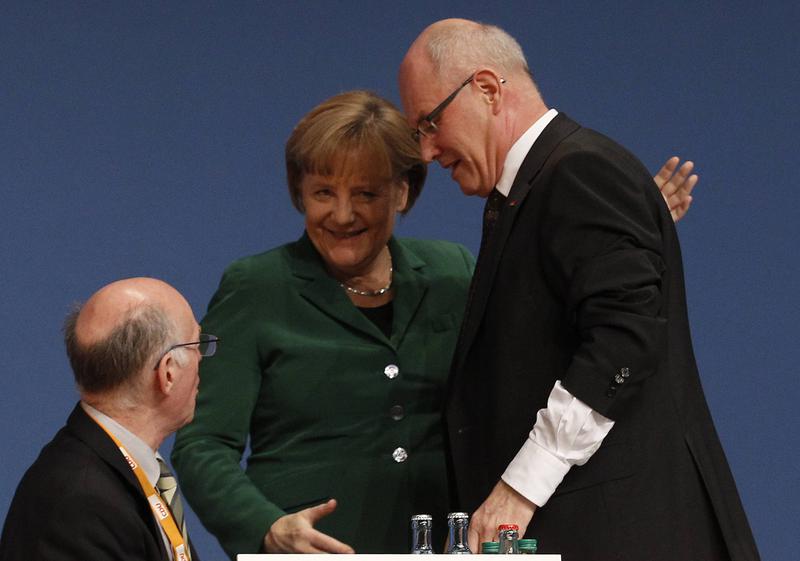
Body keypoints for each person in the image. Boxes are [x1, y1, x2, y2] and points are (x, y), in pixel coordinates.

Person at [171, 91, 696, 557]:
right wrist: (266, 527)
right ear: (298, 193)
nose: (343, 214)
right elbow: (203, 445)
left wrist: (619, 234)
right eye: (323, 192)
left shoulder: (451, 271)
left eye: (367, 194)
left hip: (444, 547)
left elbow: (544, 339)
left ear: (403, 192)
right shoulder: (257, 287)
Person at [399, 19, 760, 561]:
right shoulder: (535, 190)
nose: (426, 152)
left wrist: (520, 487)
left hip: (627, 535)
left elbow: (624, 340)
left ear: (489, 89)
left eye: (430, 123)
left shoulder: (578, 173)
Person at [0, 277, 214, 561]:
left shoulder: (118, 469)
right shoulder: (82, 504)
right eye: (196, 343)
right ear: (168, 373)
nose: (201, 356)